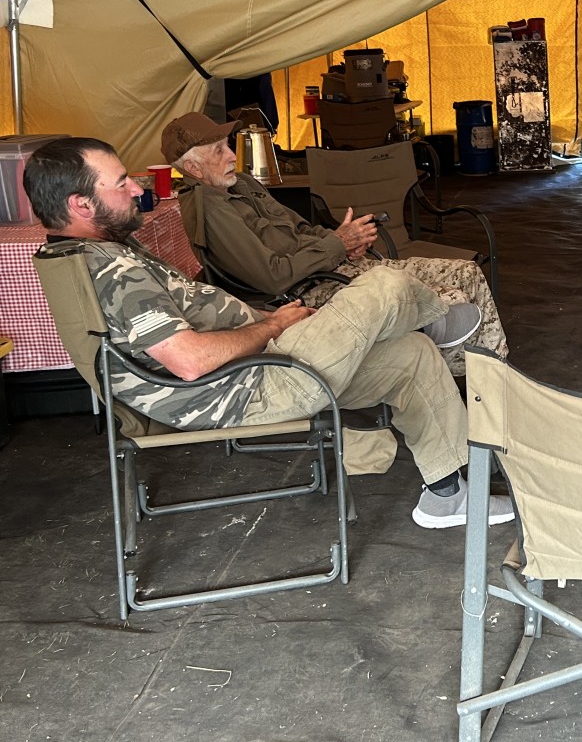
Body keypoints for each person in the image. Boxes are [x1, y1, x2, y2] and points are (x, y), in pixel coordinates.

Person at [23, 137, 514, 530]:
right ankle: (433, 315)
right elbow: (188, 360)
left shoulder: (85, 256)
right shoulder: (113, 272)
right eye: (120, 182)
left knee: (410, 354)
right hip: (249, 387)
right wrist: (272, 325)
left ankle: (447, 496)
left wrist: (265, 322)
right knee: (384, 284)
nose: (136, 188)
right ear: (81, 204)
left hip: (260, 365)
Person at [161, 111, 506, 376]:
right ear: (192, 167)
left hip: (333, 267)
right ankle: (462, 392)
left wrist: (340, 241)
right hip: (306, 291)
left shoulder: (243, 185)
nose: (232, 155)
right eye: (219, 150)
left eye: (227, 145)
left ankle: (495, 381)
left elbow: (299, 228)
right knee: (451, 298)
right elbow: (273, 278)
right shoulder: (211, 209)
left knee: (466, 272)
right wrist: (336, 246)